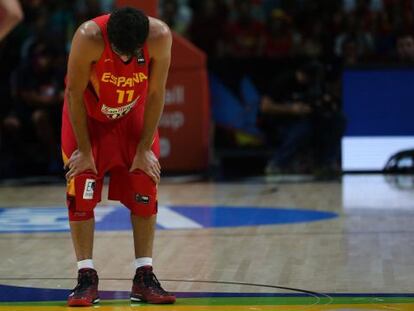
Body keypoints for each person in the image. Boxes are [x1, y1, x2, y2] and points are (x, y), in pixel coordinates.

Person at [61, 7, 175, 306]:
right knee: (81, 184)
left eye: (131, 54)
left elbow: (156, 93)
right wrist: (84, 151)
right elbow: (73, 93)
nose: (125, 59)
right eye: (119, 53)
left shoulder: (160, 36)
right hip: (89, 117)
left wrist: (143, 149)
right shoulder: (89, 36)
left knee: (145, 181)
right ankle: (86, 276)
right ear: (108, 38)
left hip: (131, 115)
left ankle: (144, 275)